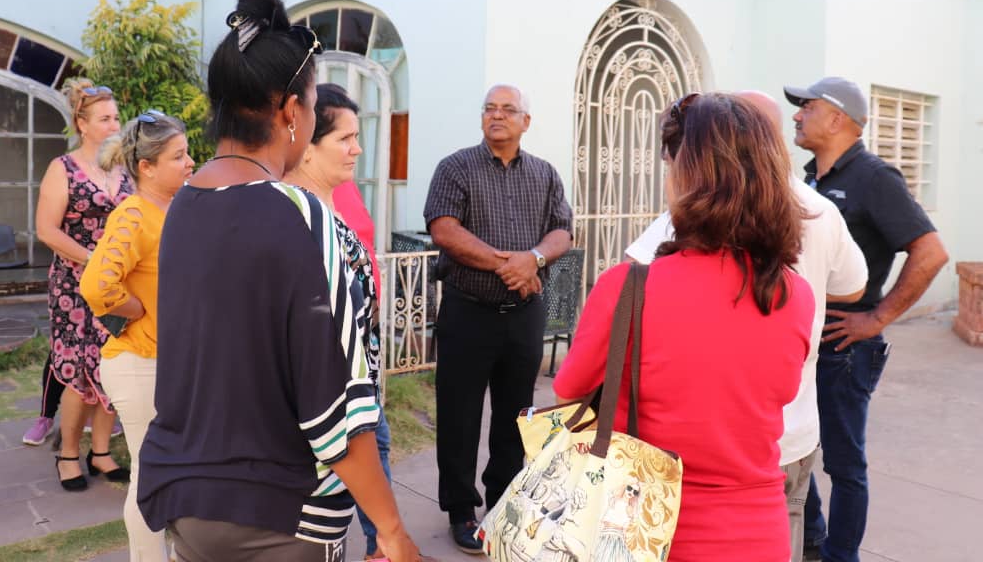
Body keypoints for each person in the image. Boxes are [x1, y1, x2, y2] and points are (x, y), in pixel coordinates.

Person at [136, 0, 423, 562]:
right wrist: (391, 531)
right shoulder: (303, 216)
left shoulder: (183, 205)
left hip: (186, 500)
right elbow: (336, 406)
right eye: (315, 107)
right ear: (292, 112)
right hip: (279, 513)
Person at [555, 92, 815, 562]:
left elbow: (569, 389)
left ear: (685, 176)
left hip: (642, 532)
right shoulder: (795, 295)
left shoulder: (628, 287)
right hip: (759, 534)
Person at [625, 90, 868, 562]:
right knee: (784, 533)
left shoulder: (695, 209)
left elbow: (633, 281)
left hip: (706, 439)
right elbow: (853, 286)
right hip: (791, 429)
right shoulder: (819, 209)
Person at [784, 77, 949, 562]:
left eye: (807, 107)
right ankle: (813, 540)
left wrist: (876, 318)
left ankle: (841, 556)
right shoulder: (814, 177)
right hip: (811, 343)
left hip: (846, 348)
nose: (797, 115)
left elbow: (931, 252)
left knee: (844, 464)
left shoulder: (874, 178)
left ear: (837, 118)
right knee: (799, 448)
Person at [423, 84, 573, 554]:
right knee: (459, 416)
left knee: (515, 415)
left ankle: (504, 502)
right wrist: (507, 265)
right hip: (468, 311)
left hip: (523, 315)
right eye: (490, 108)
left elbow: (562, 230)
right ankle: (461, 511)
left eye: (509, 110)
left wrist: (533, 258)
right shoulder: (456, 167)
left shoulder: (545, 174)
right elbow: (443, 228)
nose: (497, 116)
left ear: (526, 122)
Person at [79, 110, 193, 561]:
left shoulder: (177, 206)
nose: (190, 163)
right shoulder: (133, 213)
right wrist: (137, 308)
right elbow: (96, 285)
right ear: (146, 167)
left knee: (173, 474)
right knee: (152, 477)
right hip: (139, 364)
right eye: (178, 156)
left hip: (171, 364)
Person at [285, 83, 392, 561]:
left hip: (361, 377)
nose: (358, 148)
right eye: (345, 138)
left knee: (377, 455)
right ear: (308, 145)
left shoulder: (339, 196)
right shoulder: (296, 216)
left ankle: (380, 544)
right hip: (331, 396)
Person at [35, 78, 132, 490]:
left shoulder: (126, 168)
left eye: (116, 117)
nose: (114, 125)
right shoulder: (63, 169)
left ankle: (102, 452)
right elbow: (46, 230)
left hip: (119, 286)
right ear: (82, 123)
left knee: (112, 366)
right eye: (105, 119)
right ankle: (69, 454)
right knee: (78, 372)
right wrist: (96, 260)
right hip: (75, 287)